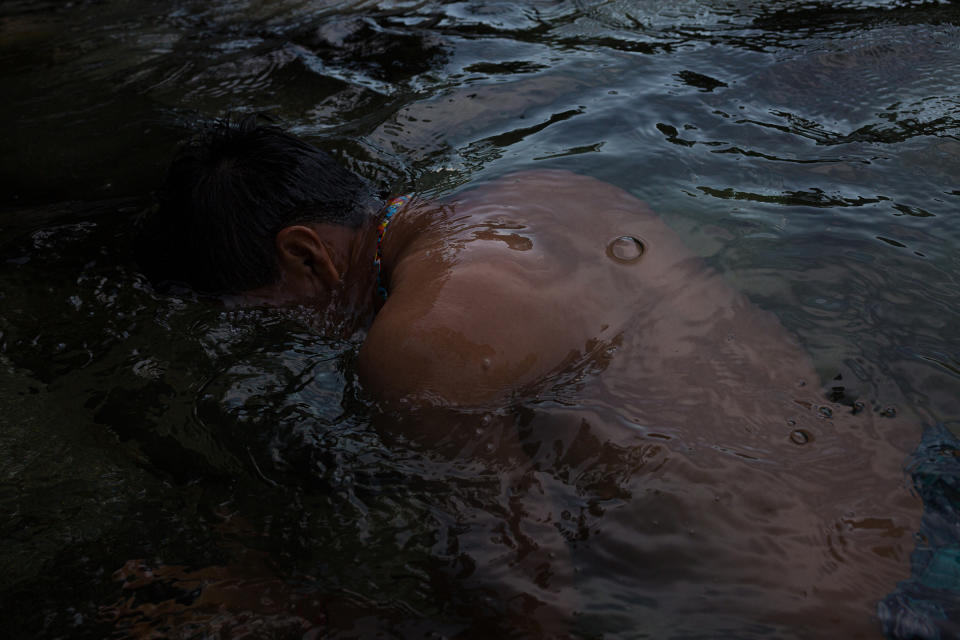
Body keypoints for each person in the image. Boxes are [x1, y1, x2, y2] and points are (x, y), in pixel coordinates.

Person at [141, 115, 921, 636]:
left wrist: (284, 608)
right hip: (902, 518)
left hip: (787, 617)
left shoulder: (419, 343)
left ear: (306, 254)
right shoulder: (560, 193)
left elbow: (526, 606)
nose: (282, 333)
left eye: (264, 311)